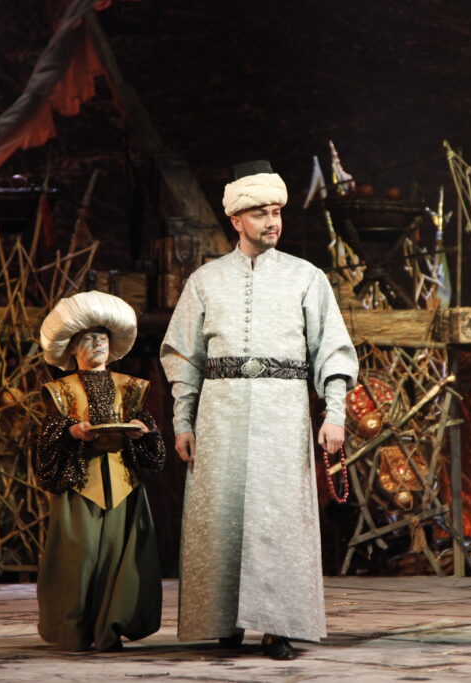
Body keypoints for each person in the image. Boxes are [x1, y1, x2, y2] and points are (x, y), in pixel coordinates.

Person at [160, 160, 358, 660]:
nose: (273, 222)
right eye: (260, 214)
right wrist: (182, 421)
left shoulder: (306, 277)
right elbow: (184, 356)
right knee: (221, 514)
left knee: (278, 516)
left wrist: (334, 413)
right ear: (236, 220)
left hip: (282, 412)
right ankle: (222, 621)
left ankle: (278, 626)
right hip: (220, 413)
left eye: (277, 212)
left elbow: (333, 351)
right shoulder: (205, 281)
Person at [34, 290, 166, 652]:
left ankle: (111, 630)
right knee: (79, 555)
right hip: (81, 482)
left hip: (123, 483)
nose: (97, 344)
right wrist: (70, 431)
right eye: (89, 338)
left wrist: (141, 432)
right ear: (73, 348)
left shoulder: (130, 387)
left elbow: (149, 433)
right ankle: (75, 631)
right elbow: (47, 437)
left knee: (119, 556)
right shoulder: (61, 389)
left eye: (103, 339)